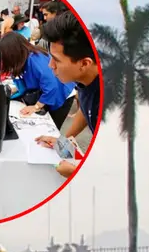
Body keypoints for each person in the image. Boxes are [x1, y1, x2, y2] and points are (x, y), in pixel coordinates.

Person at [34, 11, 101, 178]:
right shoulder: (86, 80)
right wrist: (63, 141)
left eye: (56, 60)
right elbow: (85, 109)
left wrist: (77, 172)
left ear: (84, 63)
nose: (50, 65)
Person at [0, 33, 76, 129]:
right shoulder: (23, 59)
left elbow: (52, 86)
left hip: (62, 92)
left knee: (50, 128)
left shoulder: (36, 59)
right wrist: (14, 90)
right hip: (47, 91)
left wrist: (36, 107)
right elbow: (28, 79)